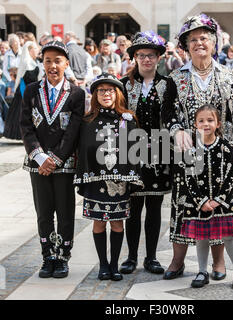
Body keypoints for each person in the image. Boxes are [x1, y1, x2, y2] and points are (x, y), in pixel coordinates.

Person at [161, 13, 233, 280]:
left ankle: (219, 263)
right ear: (186, 46)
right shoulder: (175, 78)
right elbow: (167, 113)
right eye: (193, 40)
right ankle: (177, 261)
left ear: (214, 44)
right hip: (187, 156)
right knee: (184, 206)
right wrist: (176, 130)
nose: (199, 43)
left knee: (219, 207)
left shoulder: (227, 75)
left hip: (220, 157)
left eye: (204, 38)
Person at [20, 40, 85, 279]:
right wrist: (39, 156)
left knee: (65, 211)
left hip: (64, 163)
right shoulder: (31, 90)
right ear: (42, 63)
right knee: (43, 211)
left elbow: (73, 130)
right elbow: (26, 126)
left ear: (66, 63)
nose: (53, 66)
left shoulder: (76, 93)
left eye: (58, 61)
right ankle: (48, 255)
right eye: (48, 61)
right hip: (37, 164)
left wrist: (55, 159)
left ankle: (63, 256)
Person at [74, 73, 143, 281]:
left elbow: (134, 150)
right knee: (98, 223)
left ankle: (114, 266)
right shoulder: (88, 120)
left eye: (110, 90)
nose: (106, 94)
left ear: (117, 93)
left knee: (116, 224)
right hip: (96, 181)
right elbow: (84, 148)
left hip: (119, 182)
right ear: (96, 94)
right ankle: (103, 265)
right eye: (101, 90)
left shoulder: (128, 119)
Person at [119, 30, 171, 275]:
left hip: (160, 151)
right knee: (133, 207)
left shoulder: (167, 84)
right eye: (141, 55)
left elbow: (173, 118)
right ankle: (130, 257)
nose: (147, 59)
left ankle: (151, 257)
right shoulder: (123, 84)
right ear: (135, 57)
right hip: (131, 151)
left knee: (154, 205)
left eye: (151, 55)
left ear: (159, 57)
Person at [181, 105, 233, 289]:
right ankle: (202, 271)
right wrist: (201, 201)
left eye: (210, 120)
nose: (205, 124)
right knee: (201, 238)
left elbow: (229, 178)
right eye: (201, 120)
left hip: (223, 203)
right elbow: (189, 177)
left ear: (218, 124)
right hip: (198, 203)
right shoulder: (190, 149)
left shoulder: (226, 148)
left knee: (228, 237)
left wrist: (218, 200)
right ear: (195, 125)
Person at [3, 41, 42, 140]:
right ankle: (22, 134)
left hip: (34, 92)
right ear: (30, 50)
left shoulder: (35, 62)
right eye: (35, 48)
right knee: (22, 114)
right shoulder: (25, 62)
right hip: (24, 92)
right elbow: (20, 78)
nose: (37, 50)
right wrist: (20, 91)